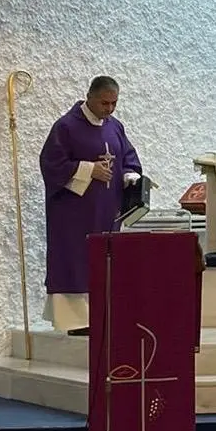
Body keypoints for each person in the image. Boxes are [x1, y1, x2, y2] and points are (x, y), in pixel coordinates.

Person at [39, 76, 142, 335]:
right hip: (73, 214)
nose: (109, 109)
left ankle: (102, 316)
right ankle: (76, 321)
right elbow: (51, 164)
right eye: (104, 103)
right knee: (75, 261)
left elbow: (128, 157)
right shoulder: (66, 126)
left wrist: (129, 174)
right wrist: (88, 169)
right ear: (89, 97)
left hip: (107, 210)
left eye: (114, 103)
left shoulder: (115, 127)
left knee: (104, 261)